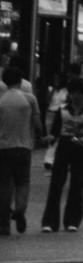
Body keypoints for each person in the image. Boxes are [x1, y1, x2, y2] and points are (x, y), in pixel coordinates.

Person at [41, 79, 83, 232]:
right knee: (56, 184)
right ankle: (50, 222)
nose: (74, 96)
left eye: (76, 93)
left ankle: (72, 220)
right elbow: (56, 130)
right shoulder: (62, 110)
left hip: (80, 148)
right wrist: (50, 138)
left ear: (82, 94)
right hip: (64, 146)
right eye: (72, 92)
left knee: (77, 185)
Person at [0, 65, 45, 236]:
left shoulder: (1, 101)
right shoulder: (30, 99)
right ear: (20, 81)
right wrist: (41, 136)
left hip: (3, 148)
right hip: (24, 147)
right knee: (22, 182)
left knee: (4, 185)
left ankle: (3, 223)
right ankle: (20, 210)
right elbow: (38, 124)